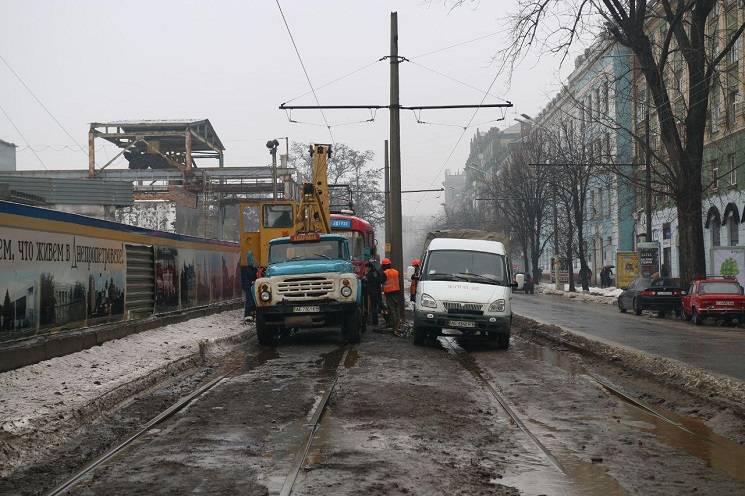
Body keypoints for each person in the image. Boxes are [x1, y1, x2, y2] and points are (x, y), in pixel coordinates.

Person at [381, 257, 402, 332]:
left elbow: (381, 281)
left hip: (389, 293)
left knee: (391, 308)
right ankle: (397, 323)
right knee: (396, 308)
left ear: (384, 265)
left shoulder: (385, 273)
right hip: (396, 292)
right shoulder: (396, 271)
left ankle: (394, 325)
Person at [240, 250, 258, 321]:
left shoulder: (244, 266)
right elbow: (251, 275)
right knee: (250, 299)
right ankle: (248, 314)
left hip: (247, 285)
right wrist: (255, 270)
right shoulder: (248, 267)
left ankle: (250, 314)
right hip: (248, 285)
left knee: (249, 299)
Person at [364, 260, 384, 325]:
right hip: (375, 291)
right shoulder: (375, 272)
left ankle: (375, 322)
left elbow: (372, 281)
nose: (365, 269)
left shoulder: (371, 273)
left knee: (374, 307)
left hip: (373, 292)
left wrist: (366, 279)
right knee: (376, 306)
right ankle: (374, 321)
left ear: (369, 267)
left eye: (366, 267)